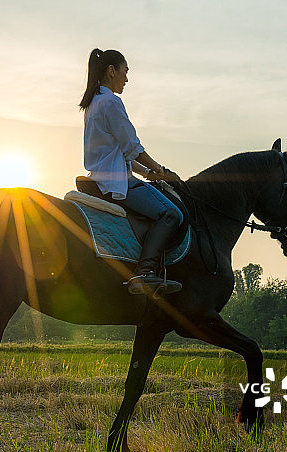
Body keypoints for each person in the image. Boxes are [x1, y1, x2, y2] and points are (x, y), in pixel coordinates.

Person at [79, 48, 183, 295]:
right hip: (117, 183)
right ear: (112, 71)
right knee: (172, 214)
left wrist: (148, 173)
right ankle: (146, 271)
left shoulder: (92, 104)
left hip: (101, 177)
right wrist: (161, 170)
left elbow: (118, 153)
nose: (127, 78)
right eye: (125, 71)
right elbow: (132, 147)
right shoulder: (112, 102)